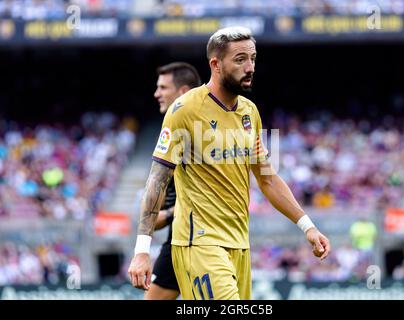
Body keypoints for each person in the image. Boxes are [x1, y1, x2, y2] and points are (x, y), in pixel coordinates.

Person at [128, 26, 330, 300]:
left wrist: (308, 226)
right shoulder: (184, 110)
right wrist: (142, 249)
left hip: (239, 244)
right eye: (240, 60)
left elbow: (267, 178)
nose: (250, 67)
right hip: (199, 242)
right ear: (216, 64)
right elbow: (157, 179)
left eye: (253, 58)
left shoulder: (249, 112)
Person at [144, 62, 202, 300]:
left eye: (163, 87)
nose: (157, 93)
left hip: (208, 241)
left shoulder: (204, 132)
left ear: (183, 91)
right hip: (179, 240)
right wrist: (173, 213)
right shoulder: (170, 138)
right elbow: (153, 218)